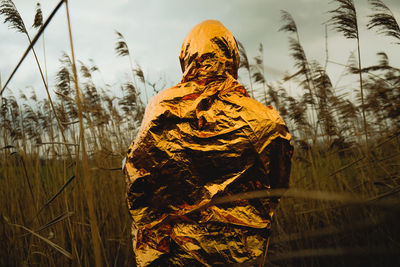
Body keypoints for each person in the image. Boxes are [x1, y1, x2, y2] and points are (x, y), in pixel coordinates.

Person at [123, 20, 293, 267]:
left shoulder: (162, 108)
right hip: (243, 254)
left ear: (187, 56)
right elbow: (278, 183)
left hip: (175, 254)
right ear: (232, 57)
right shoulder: (264, 118)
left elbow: (137, 179)